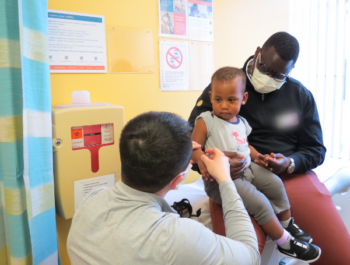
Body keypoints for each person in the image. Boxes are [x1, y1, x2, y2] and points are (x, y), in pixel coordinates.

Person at [188, 32, 350, 264]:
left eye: (278, 74)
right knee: (241, 255)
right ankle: (286, 242)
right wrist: (207, 164)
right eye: (265, 68)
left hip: (287, 177)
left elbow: (315, 149)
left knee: (340, 254)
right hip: (231, 178)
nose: (269, 77)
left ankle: (288, 228)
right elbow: (189, 139)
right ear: (257, 53)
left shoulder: (300, 95)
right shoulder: (224, 88)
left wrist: (290, 163)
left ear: (290, 71)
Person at [67, 112, 260, 265]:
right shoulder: (179, 237)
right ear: (177, 181)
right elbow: (251, 256)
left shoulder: (90, 201)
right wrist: (224, 178)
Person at [191, 66, 321, 263]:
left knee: (275, 182)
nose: (224, 106)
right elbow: (193, 147)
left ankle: (286, 223)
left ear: (243, 99)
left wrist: (259, 157)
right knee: (260, 202)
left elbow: (245, 145)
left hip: (247, 169)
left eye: (231, 100)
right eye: (218, 99)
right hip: (222, 181)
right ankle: (285, 243)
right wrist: (202, 160)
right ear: (210, 96)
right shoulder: (206, 120)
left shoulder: (242, 122)